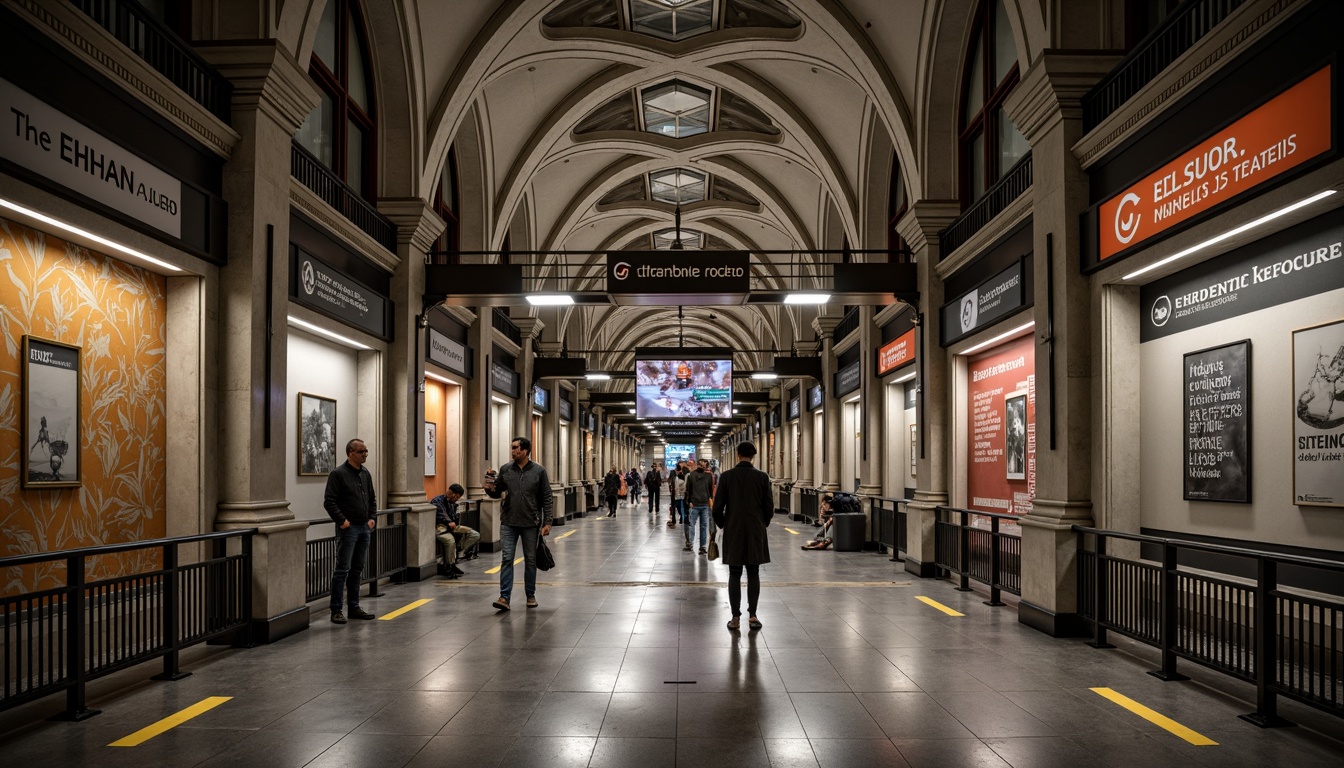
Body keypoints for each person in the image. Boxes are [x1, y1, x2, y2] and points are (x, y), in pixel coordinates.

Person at [483, 437, 553, 610]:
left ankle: (530, 595)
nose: (513, 451)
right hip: (509, 521)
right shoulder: (506, 469)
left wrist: (548, 522)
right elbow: (496, 492)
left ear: (525, 451)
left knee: (530, 560)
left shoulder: (539, 471)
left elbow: (546, 496)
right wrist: (489, 484)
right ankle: (504, 597)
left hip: (531, 522)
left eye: (516, 448)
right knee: (507, 558)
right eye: (512, 447)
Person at [712, 441, 772, 631]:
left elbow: (717, 509)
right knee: (753, 572)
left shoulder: (727, 477)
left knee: (734, 573)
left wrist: (725, 524)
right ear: (753, 455)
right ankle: (753, 616)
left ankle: (735, 617)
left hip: (734, 529)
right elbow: (768, 508)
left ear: (738, 454)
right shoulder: (763, 478)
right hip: (755, 529)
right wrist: (762, 524)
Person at [323, 438, 378, 624]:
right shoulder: (338, 474)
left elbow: (371, 498)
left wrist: (372, 518)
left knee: (357, 569)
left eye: (366, 451)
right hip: (349, 528)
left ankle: (354, 606)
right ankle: (336, 610)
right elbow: (329, 501)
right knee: (342, 569)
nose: (365, 454)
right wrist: (342, 521)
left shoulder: (365, 474)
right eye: (361, 451)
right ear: (350, 453)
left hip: (364, 527)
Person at [432, 484, 480, 576]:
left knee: (474, 534)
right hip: (440, 528)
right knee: (450, 540)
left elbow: (454, 519)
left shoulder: (453, 504)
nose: (457, 499)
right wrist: (449, 521)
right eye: (456, 497)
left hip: (452, 527)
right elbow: (442, 513)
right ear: (450, 493)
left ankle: (458, 548)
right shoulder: (437, 501)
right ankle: (449, 566)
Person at [684, 458, 714, 554]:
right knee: (692, 525)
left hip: (705, 504)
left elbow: (710, 491)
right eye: (701, 464)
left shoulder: (709, 476)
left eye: (704, 464)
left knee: (703, 526)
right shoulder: (691, 475)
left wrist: (710, 501)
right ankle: (691, 544)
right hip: (694, 504)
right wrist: (689, 501)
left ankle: (703, 546)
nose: (702, 466)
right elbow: (688, 489)